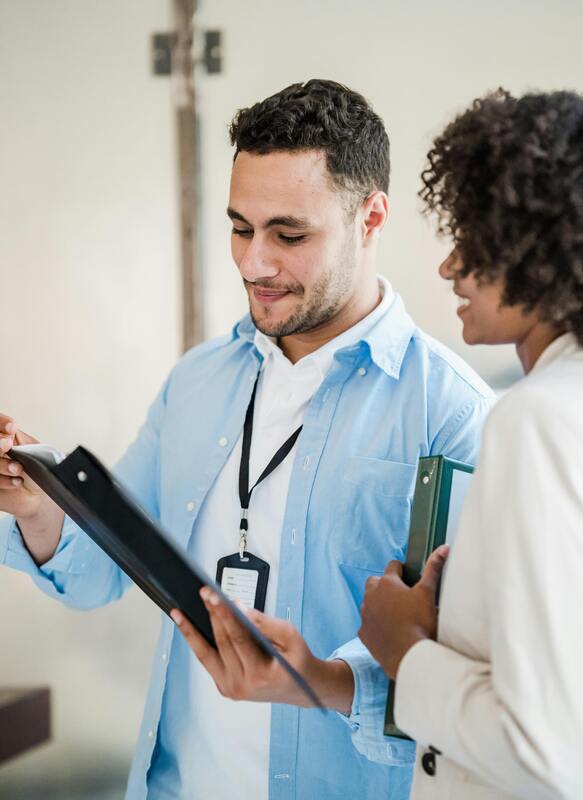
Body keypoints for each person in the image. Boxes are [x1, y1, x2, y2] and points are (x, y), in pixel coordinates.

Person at [0, 79, 494, 800]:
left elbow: (463, 686)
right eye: (240, 227)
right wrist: (35, 507)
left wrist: (325, 683)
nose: (254, 263)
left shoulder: (455, 414)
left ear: (370, 217)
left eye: (289, 235)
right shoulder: (198, 381)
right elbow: (101, 571)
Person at [358, 89, 583, 799]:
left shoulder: (538, 419)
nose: (449, 266)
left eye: (475, 236)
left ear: (546, 245)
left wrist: (405, 650)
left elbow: (551, 754)